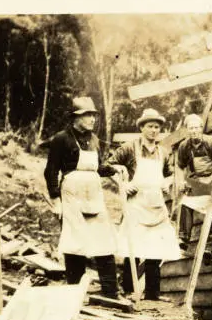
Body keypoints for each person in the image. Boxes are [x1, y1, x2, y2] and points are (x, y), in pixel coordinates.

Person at [44, 96, 120, 296]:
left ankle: (110, 291)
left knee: (104, 239)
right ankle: (74, 291)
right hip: (72, 196)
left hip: (93, 195)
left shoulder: (94, 140)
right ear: (75, 117)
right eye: (88, 115)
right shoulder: (61, 138)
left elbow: (97, 168)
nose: (93, 119)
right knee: (75, 241)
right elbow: (51, 171)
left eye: (94, 115)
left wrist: (114, 169)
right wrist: (55, 200)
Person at [111, 108, 181, 301]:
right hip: (136, 205)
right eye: (150, 126)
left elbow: (169, 176)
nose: (154, 130)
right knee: (131, 249)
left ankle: (152, 293)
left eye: (157, 127)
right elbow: (107, 167)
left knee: (156, 250)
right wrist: (123, 185)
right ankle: (128, 290)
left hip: (156, 205)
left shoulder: (163, 153)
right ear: (142, 127)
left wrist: (168, 184)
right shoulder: (129, 148)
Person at [175, 113, 212, 251]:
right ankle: (184, 237)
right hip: (197, 180)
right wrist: (181, 181)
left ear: (201, 128)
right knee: (185, 202)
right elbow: (179, 166)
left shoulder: (211, 142)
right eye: (191, 128)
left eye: (196, 128)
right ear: (187, 130)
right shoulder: (184, 146)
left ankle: (210, 246)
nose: (194, 131)